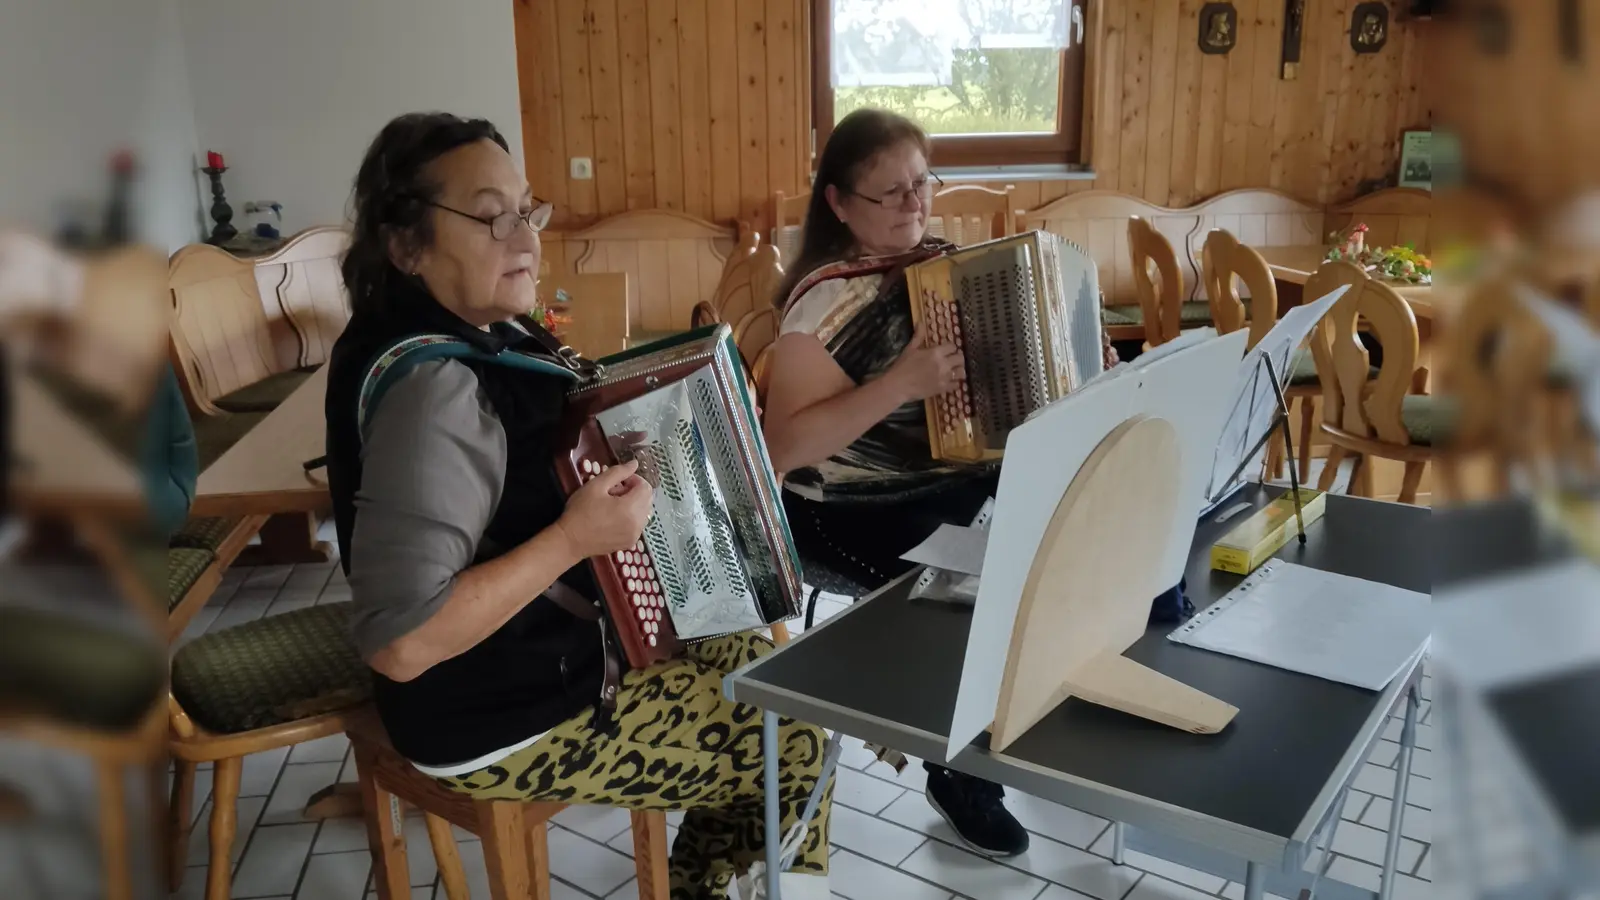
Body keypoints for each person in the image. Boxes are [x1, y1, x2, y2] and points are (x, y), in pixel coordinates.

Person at [324, 112, 830, 900]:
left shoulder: (468, 327)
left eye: (527, 210)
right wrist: (573, 539)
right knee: (799, 739)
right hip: (494, 716)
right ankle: (734, 882)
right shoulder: (434, 392)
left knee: (783, 683)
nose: (525, 239)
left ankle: (709, 884)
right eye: (491, 216)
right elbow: (405, 642)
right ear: (406, 244)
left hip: (546, 660)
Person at [762, 108, 1116, 859]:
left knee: (1071, 538)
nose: (913, 205)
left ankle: (1049, 719)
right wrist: (900, 382)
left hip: (948, 484)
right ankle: (958, 772)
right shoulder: (820, 305)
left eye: (921, 184)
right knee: (969, 594)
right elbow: (785, 448)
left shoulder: (948, 270)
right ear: (838, 203)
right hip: (841, 510)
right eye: (888, 194)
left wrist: (1081, 359)